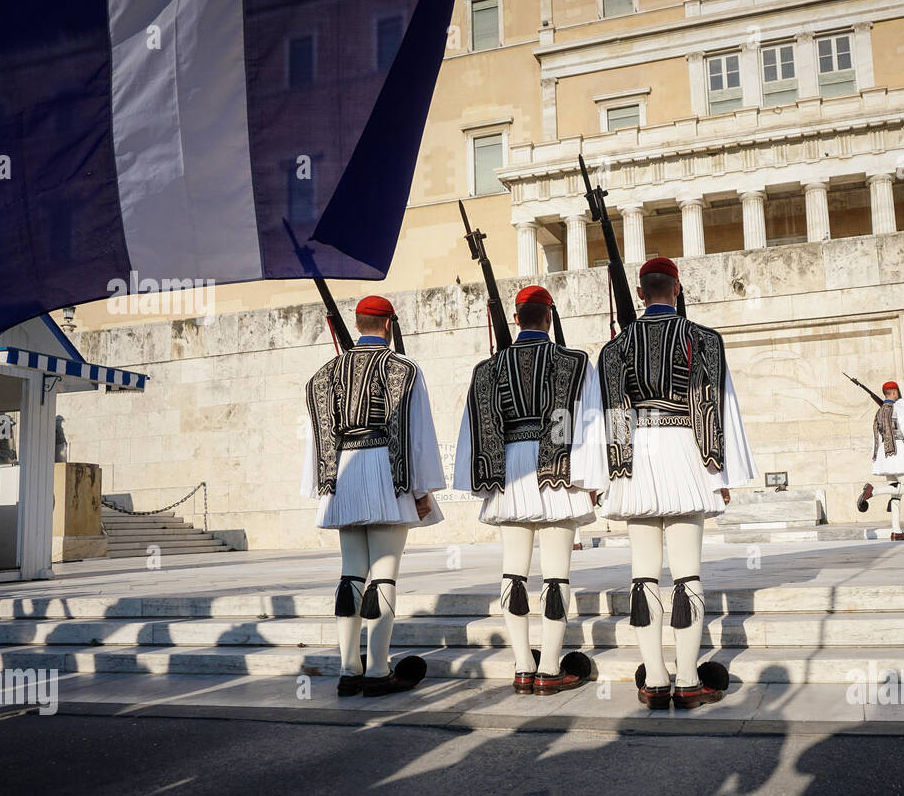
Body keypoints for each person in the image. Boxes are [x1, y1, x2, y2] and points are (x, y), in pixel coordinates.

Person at [597, 257, 758, 709]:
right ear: (678, 288)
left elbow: (609, 414)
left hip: (635, 461)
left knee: (642, 575)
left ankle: (654, 678)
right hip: (687, 453)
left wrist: (610, 474)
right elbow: (719, 405)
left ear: (641, 291)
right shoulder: (704, 339)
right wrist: (720, 472)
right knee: (687, 574)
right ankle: (688, 681)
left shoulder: (614, 348)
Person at [454, 286, 606, 695]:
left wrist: (485, 479)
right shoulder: (574, 362)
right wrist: (590, 478)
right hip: (555, 466)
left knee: (513, 573)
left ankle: (523, 667)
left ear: (517, 318)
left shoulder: (487, 368)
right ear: (549, 317)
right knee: (556, 576)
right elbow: (585, 420)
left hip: (509, 472)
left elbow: (477, 428)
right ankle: (550, 669)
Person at [301, 295, 445, 696]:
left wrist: (323, 485)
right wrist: (422, 490)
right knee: (383, 574)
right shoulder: (404, 369)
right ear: (388, 324)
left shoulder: (325, 373)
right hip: (387, 472)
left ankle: (349, 672)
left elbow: (319, 434)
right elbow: (418, 433)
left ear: (359, 322)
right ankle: (378, 671)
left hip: (345, 472)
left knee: (350, 574)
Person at [857, 372, 904, 540]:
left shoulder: (880, 412)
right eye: (897, 392)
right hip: (898, 452)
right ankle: (872, 492)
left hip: (885, 454)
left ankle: (896, 530)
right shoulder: (900, 405)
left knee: (895, 494)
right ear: (894, 393)